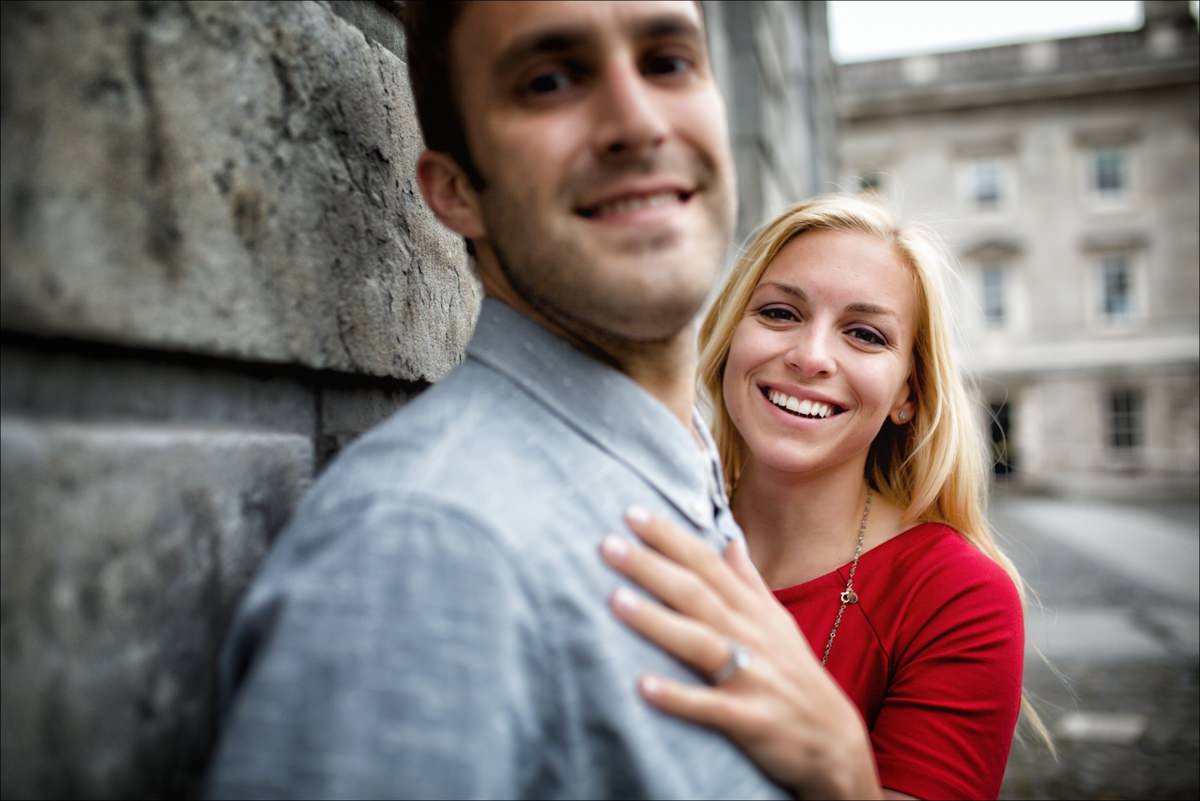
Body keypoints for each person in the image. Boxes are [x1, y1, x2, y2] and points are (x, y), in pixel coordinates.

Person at [204, 2, 790, 798]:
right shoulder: (425, 548)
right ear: (455, 192)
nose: (639, 121)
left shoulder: (680, 452)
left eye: (667, 62)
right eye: (549, 80)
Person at [598, 193, 1053, 800]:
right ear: (731, 336)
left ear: (906, 395)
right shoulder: (636, 531)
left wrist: (840, 764)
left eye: (864, 334)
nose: (810, 357)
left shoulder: (957, 593)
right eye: (781, 313)